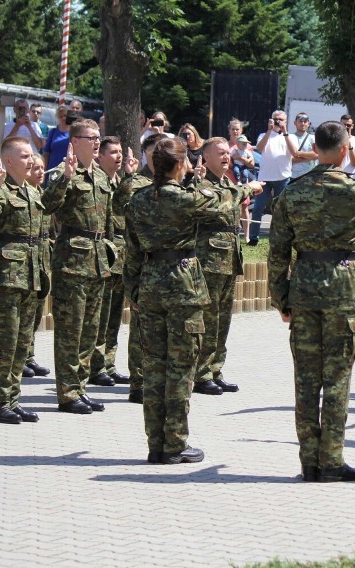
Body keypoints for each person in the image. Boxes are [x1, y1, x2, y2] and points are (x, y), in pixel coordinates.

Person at [267, 120, 355, 482]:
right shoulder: (354, 188)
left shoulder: (293, 192)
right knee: (338, 378)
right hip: (342, 289)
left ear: (315, 147)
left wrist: (281, 298)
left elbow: (277, 251)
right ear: (345, 150)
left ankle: (309, 463)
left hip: (305, 289)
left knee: (306, 380)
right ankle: (331, 461)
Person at [124, 137, 229, 464]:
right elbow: (224, 205)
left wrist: (134, 291)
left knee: (154, 367)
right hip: (182, 284)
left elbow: (131, 252)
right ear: (181, 165)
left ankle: (156, 443)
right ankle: (175, 443)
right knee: (181, 367)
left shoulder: (138, 200)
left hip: (151, 282)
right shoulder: (187, 198)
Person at [41, 119, 113, 415]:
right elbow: (47, 206)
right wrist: (66, 177)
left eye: (98, 137)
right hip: (72, 260)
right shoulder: (62, 172)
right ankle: (67, 393)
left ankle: (80, 388)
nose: (97, 142)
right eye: (91, 137)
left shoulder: (101, 176)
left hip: (97, 260)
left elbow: (108, 220)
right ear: (76, 141)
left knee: (89, 331)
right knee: (71, 331)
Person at [192, 137, 263, 396]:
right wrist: (248, 189)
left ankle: (215, 369)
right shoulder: (202, 184)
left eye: (226, 152)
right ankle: (201, 373)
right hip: (210, 259)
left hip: (228, 259)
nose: (225, 156)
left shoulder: (226, 181)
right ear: (206, 157)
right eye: (219, 153)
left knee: (223, 319)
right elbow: (218, 205)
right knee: (208, 318)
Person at [0, 138, 48, 424]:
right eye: (24, 156)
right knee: (5, 342)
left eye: (31, 155)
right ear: (8, 161)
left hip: (31, 275)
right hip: (6, 278)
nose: (30, 160)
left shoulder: (32, 192)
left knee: (22, 343)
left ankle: (12, 398)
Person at [115, 133, 163, 404]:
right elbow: (121, 213)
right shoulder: (137, 183)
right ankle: (139, 381)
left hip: (167, 265)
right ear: (146, 154)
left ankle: (155, 379)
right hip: (144, 261)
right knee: (141, 325)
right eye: (157, 151)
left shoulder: (173, 183)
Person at [90, 136, 136, 388]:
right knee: (102, 313)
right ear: (101, 156)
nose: (119, 157)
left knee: (115, 314)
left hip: (121, 255)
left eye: (120, 152)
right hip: (103, 254)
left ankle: (108, 362)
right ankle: (96, 365)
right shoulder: (98, 181)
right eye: (114, 152)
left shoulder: (119, 181)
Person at [22, 153, 52, 379]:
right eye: (35, 168)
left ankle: (29, 354)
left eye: (42, 168)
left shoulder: (42, 195)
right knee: (23, 315)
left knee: (36, 312)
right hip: (24, 263)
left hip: (41, 262)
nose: (40, 172)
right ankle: (20, 356)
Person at [250, 110, 299, 245]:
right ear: (271, 120)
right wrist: (269, 130)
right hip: (265, 178)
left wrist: (285, 132)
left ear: (286, 121)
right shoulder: (264, 135)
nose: (278, 121)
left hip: (283, 177)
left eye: (281, 119)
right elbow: (259, 148)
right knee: (258, 207)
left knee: (280, 209)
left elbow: (294, 152)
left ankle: (279, 237)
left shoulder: (291, 137)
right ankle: (253, 237)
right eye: (276, 119)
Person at [226, 119, 252, 238]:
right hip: (228, 179)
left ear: (241, 131)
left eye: (237, 129)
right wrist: (233, 163)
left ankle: (246, 236)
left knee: (244, 208)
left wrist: (240, 159)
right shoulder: (225, 145)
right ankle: (233, 234)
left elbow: (251, 164)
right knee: (230, 208)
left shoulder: (248, 146)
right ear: (229, 131)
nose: (235, 131)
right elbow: (225, 163)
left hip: (242, 181)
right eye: (233, 129)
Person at [43, 105, 73, 171]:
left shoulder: (74, 133)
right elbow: (46, 154)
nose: (63, 118)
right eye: (60, 116)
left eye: (65, 115)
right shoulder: (53, 132)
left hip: (67, 170)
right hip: (52, 169)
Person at [289, 113, 318, 179]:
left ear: (309, 123)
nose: (303, 124)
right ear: (295, 123)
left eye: (305, 121)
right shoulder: (289, 137)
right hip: (292, 176)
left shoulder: (313, 138)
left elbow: (317, 155)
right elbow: (288, 159)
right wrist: (309, 157)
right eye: (300, 121)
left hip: (310, 176)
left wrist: (297, 153)